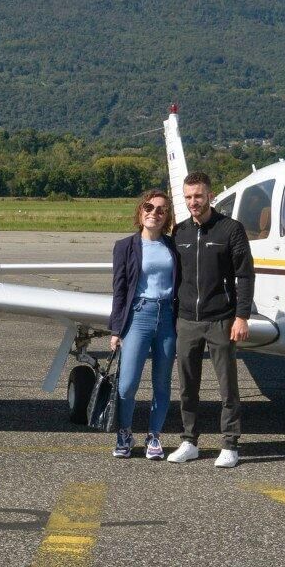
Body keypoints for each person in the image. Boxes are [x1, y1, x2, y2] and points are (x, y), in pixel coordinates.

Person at [168, 172, 256, 468]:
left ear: (211, 196)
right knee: (186, 386)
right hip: (187, 321)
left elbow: (244, 275)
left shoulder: (230, 230)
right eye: (189, 197)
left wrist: (241, 316)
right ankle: (189, 440)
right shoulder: (178, 233)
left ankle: (230, 444)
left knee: (227, 386)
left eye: (199, 196)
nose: (194, 202)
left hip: (221, 320)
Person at [107, 189, 178, 459]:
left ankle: (154, 436)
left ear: (166, 216)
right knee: (127, 384)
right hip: (139, 315)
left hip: (168, 316)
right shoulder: (125, 246)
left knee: (162, 382)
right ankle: (124, 432)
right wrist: (116, 330)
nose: (154, 213)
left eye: (161, 210)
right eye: (149, 207)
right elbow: (120, 291)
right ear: (140, 212)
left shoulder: (173, 246)